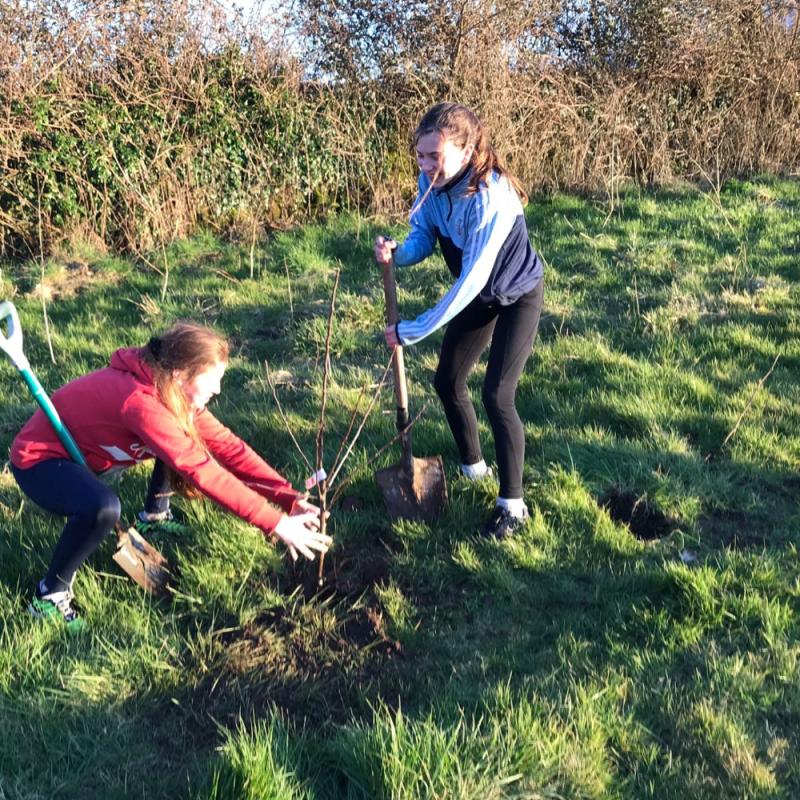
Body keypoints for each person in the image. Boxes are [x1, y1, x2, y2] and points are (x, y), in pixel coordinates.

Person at [10, 322, 331, 626]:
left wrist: (287, 497)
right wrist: (274, 523)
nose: (219, 389)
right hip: (40, 461)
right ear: (179, 374)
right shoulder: (139, 403)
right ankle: (49, 597)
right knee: (102, 508)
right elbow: (201, 470)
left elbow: (230, 449)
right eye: (212, 379)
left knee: (183, 433)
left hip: (92, 456)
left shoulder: (169, 393)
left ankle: (154, 517)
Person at [374, 102, 545, 539]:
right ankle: (474, 470)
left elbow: (469, 283)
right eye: (421, 155)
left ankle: (513, 506)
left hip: (515, 293)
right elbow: (424, 236)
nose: (426, 165)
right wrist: (398, 252)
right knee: (448, 382)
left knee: (497, 395)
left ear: (467, 151)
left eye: (436, 156)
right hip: (479, 294)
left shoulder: (490, 196)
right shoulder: (430, 184)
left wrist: (412, 330)